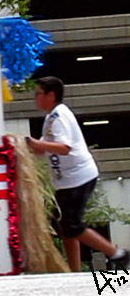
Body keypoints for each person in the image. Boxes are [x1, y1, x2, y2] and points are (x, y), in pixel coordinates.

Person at [26, 76, 129, 272]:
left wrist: (34, 143)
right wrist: (24, 145)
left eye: (38, 94)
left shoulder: (59, 116)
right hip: (65, 181)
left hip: (78, 177)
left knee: (72, 224)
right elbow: (43, 149)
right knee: (62, 225)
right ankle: (74, 271)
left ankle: (118, 254)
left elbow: (64, 147)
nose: (35, 98)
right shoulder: (50, 117)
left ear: (51, 95)